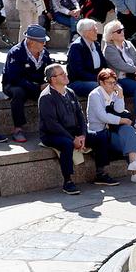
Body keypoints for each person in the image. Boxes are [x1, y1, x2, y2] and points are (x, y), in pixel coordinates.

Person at [86, 68, 136, 185]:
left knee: (129, 131)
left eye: (114, 82)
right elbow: (102, 117)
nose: (112, 85)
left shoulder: (114, 92)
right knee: (127, 137)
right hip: (99, 132)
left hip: (113, 129)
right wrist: (122, 120)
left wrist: (120, 95)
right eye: (109, 83)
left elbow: (119, 109)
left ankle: (135, 166)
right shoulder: (95, 95)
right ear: (101, 82)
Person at [36, 64, 93, 194]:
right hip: (52, 134)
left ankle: (101, 172)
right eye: (61, 74)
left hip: (74, 132)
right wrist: (73, 139)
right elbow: (52, 125)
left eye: (64, 72)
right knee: (66, 144)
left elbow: (80, 115)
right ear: (53, 79)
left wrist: (83, 135)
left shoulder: (70, 92)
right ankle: (67, 181)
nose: (65, 75)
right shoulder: (46, 97)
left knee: (100, 136)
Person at [4, 24, 54, 144]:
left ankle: (53, 126)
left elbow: (50, 69)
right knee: (18, 93)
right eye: (42, 41)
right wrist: (36, 87)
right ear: (31, 42)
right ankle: (18, 129)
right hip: (15, 84)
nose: (44, 44)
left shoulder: (44, 52)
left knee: (54, 91)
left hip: (37, 83)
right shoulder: (16, 52)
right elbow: (14, 78)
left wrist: (51, 81)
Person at [65, 17, 106, 102]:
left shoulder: (96, 45)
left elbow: (103, 64)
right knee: (101, 88)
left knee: (115, 85)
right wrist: (99, 79)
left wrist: (107, 76)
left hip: (96, 79)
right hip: (78, 82)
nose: (97, 32)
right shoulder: (76, 47)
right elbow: (79, 72)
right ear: (85, 33)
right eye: (94, 30)